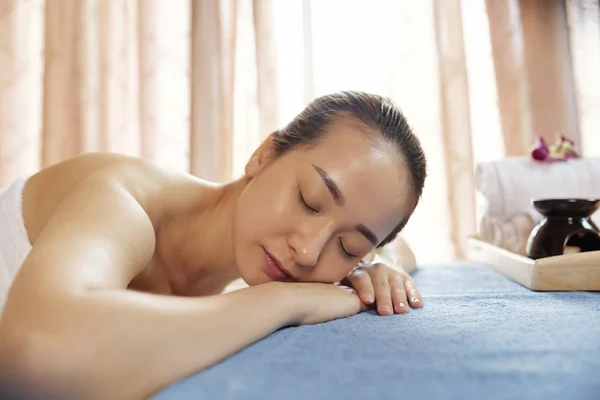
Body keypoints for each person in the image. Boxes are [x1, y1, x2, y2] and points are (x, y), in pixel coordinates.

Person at [0, 91, 427, 399]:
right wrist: (285, 301)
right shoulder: (124, 202)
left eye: (348, 246)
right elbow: (35, 351)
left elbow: (400, 249)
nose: (309, 251)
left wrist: (378, 265)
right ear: (263, 154)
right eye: (309, 201)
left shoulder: (303, 259)